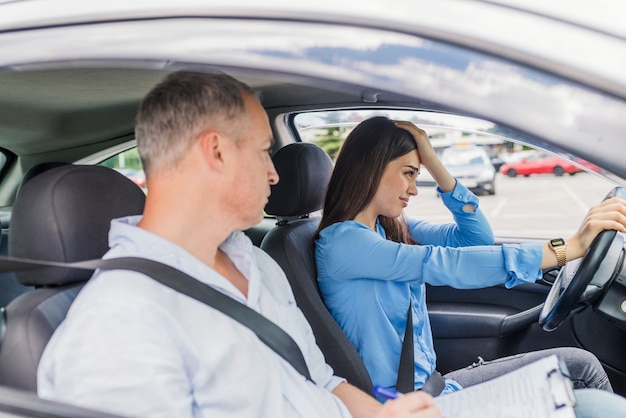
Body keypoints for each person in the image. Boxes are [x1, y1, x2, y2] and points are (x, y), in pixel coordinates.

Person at [36, 72, 440, 418]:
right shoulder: (119, 324)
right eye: (265, 151)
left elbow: (322, 381)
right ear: (216, 152)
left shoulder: (256, 264)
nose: (274, 174)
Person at [315, 117, 626, 412]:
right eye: (408, 173)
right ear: (372, 168)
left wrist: (434, 163)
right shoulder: (344, 243)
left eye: (416, 176)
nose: (413, 189)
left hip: (434, 389)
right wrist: (568, 248)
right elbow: (450, 263)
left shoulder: (390, 228)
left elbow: (476, 237)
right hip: (404, 406)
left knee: (578, 365)